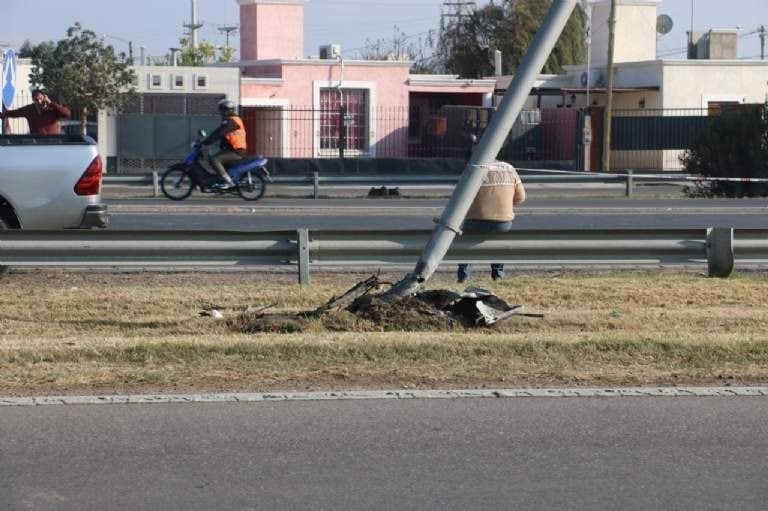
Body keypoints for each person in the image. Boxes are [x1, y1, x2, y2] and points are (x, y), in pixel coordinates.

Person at [458, 160, 526, 283]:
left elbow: (460, 197)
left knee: (466, 244)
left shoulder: (473, 168)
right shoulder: (509, 168)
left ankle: (463, 276)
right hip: (503, 222)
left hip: (475, 220)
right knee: (498, 243)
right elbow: (521, 197)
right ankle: (498, 274)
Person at [201, 99, 247, 190]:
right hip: (232, 149)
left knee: (215, 160)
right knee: (213, 159)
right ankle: (220, 180)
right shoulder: (231, 120)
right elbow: (218, 132)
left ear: (227, 110)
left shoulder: (232, 121)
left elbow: (219, 133)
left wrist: (207, 142)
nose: (220, 112)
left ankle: (229, 182)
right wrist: (207, 141)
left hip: (236, 151)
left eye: (221, 110)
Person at [0, 89, 71, 135]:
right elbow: (14, 113)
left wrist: (51, 103)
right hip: (36, 141)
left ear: (44, 97)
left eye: (40, 99)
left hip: (53, 141)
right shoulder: (29, 109)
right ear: (33, 100)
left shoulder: (53, 108)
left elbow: (66, 114)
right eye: (36, 100)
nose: (39, 102)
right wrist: (2, 115)